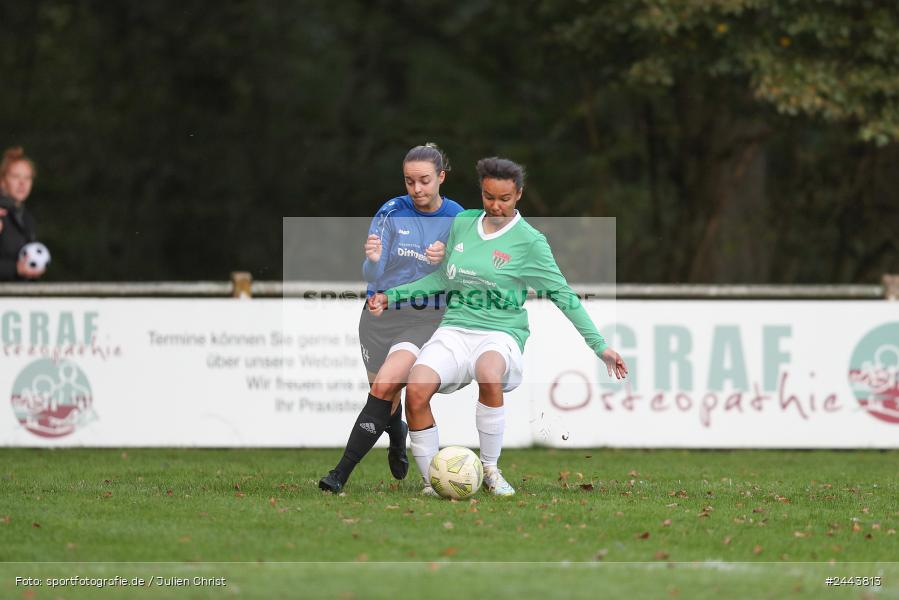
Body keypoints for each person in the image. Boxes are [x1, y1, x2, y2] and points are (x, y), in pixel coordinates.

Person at [371, 157, 628, 496]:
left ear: (518, 194)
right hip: (455, 329)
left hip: (500, 332)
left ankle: (491, 470)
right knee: (416, 391)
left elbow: (563, 294)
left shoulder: (531, 242)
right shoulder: (463, 223)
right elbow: (442, 278)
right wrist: (393, 296)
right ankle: (434, 480)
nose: (495, 205)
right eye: (489, 197)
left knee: (488, 372)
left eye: (504, 199)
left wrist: (600, 346)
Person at [318, 143, 464, 493]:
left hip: (422, 318)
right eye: (409, 181)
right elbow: (373, 271)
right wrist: (372, 259)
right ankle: (397, 434)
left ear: (441, 177)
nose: (416, 189)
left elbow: (463, 273)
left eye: (425, 181)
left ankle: (339, 475)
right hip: (377, 316)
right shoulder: (391, 211)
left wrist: (446, 259)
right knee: (384, 399)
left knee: (384, 388)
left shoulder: (457, 217)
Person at [0, 147, 43, 281]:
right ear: (2, 181)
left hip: (20, 299)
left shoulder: (26, 218)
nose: (22, 183)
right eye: (15, 176)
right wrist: (16, 269)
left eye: (27, 178)